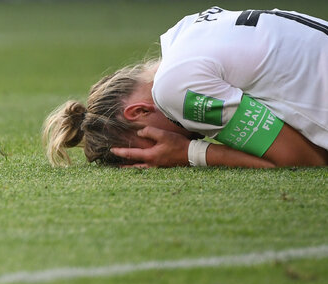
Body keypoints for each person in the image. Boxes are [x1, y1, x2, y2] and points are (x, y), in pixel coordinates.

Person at [42, 6, 328, 168]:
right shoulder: (184, 30)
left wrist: (189, 153)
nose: (159, 153)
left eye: (151, 143)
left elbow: (302, 161)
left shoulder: (173, 89)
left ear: (138, 112)